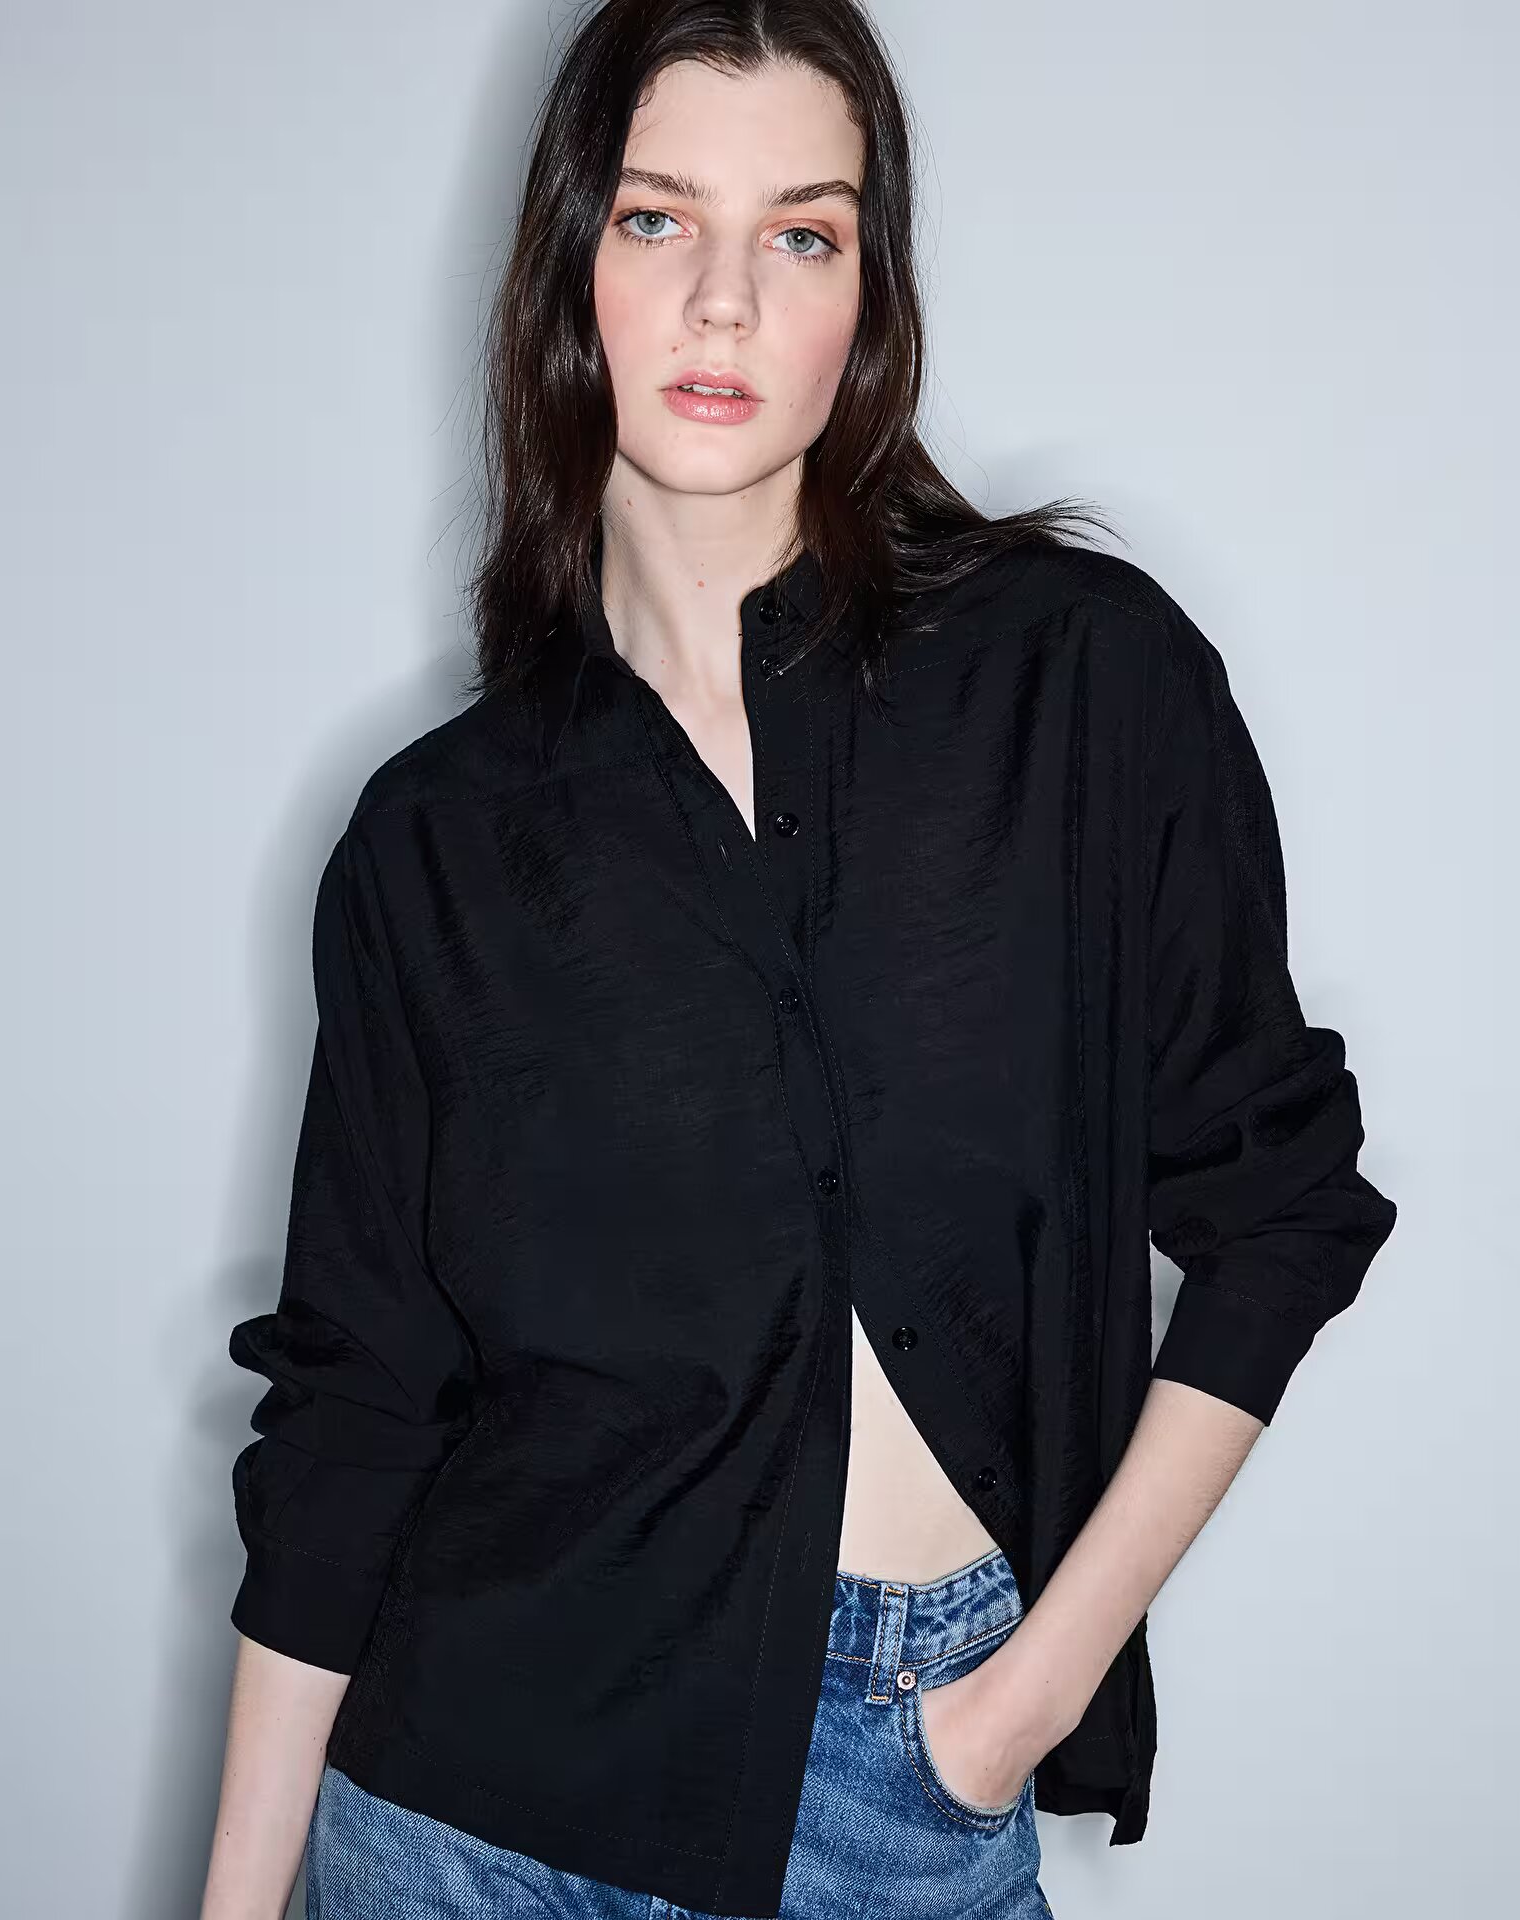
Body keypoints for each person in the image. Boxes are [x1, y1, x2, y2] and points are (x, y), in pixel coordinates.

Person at [199, 3, 1398, 1917]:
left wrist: (1018, 1704)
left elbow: (1285, 1205)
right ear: (571, 270)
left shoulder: (1078, 685)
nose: (726, 301)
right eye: (659, 219)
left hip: (906, 1784)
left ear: (868, 299)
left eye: (804, 234)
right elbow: (355, 1403)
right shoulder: (434, 841)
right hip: (453, 1823)